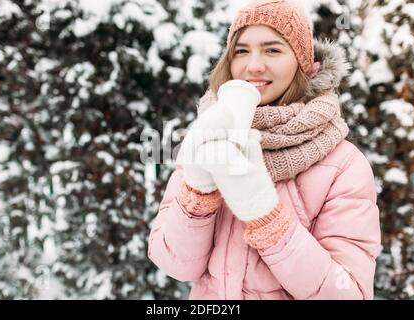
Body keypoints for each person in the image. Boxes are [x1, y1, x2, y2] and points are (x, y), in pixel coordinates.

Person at [148, 0, 382, 300]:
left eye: (273, 49)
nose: (253, 65)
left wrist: (266, 215)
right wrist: (197, 192)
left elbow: (351, 295)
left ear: (303, 64)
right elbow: (175, 264)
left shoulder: (344, 166)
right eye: (241, 50)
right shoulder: (206, 136)